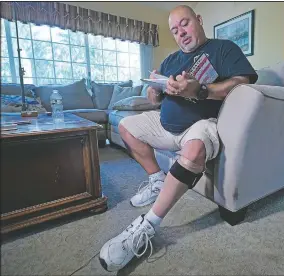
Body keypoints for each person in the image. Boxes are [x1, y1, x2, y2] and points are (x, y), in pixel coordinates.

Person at [99, 5, 258, 272]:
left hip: (200, 124)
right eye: (175, 30)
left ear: (199, 19)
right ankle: (156, 180)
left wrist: (202, 89)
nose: (181, 32)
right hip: (164, 124)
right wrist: (154, 91)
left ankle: (147, 226)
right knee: (125, 125)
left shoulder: (223, 48)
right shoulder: (171, 60)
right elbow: (154, 97)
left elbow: (243, 83)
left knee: (195, 150)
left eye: (184, 24)